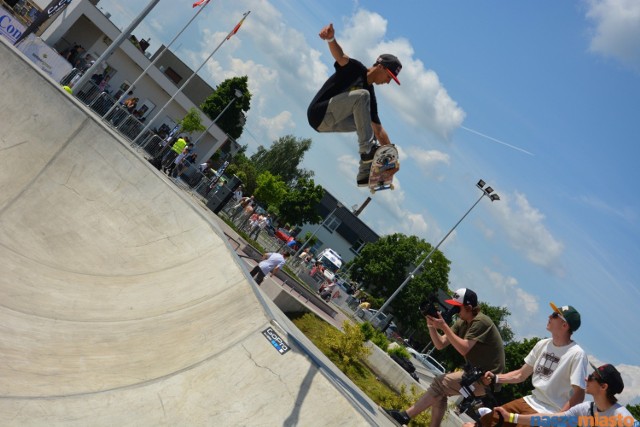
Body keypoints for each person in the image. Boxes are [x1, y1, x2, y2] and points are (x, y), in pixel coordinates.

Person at [384, 288, 505, 427]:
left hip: (487, 378)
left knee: (440, 383)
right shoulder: (462, 322)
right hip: (474, 374)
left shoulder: (481, 321)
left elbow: (464, 348)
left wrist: (443, 326)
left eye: (457, 308)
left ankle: (405, 416)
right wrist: (431, 326)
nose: (454, 310)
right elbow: (440, 344)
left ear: (469, 307)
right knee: (440, 392)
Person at [307, 23, 402, 187]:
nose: (388, 82)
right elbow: (341, 57)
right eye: (388, 77)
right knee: (362, 96)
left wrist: (391, 160)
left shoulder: (370, 96)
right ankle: (366, 153)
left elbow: (379, 130)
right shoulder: (357, 70)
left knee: (369, 126)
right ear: (380, 66)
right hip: (319, 112)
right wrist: (330, 38)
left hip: (328, 124)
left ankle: (364, 173)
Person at [479, 302, 589, 427]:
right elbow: (521, 374)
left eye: (554, 315)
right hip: (530, 400)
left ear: (564, 325)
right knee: (485, 422)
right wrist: (496, 378)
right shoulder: (542, 344)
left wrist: (557, 419)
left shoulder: (576, 354)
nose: (549, 316)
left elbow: (579, 395)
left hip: (548, 413)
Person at [492, 363, 636, 427]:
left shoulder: (622, 417)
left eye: (592, 377)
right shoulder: (586, 409)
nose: (586, 378)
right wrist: (510, 417)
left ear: (604, 387)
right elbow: (550, 420)